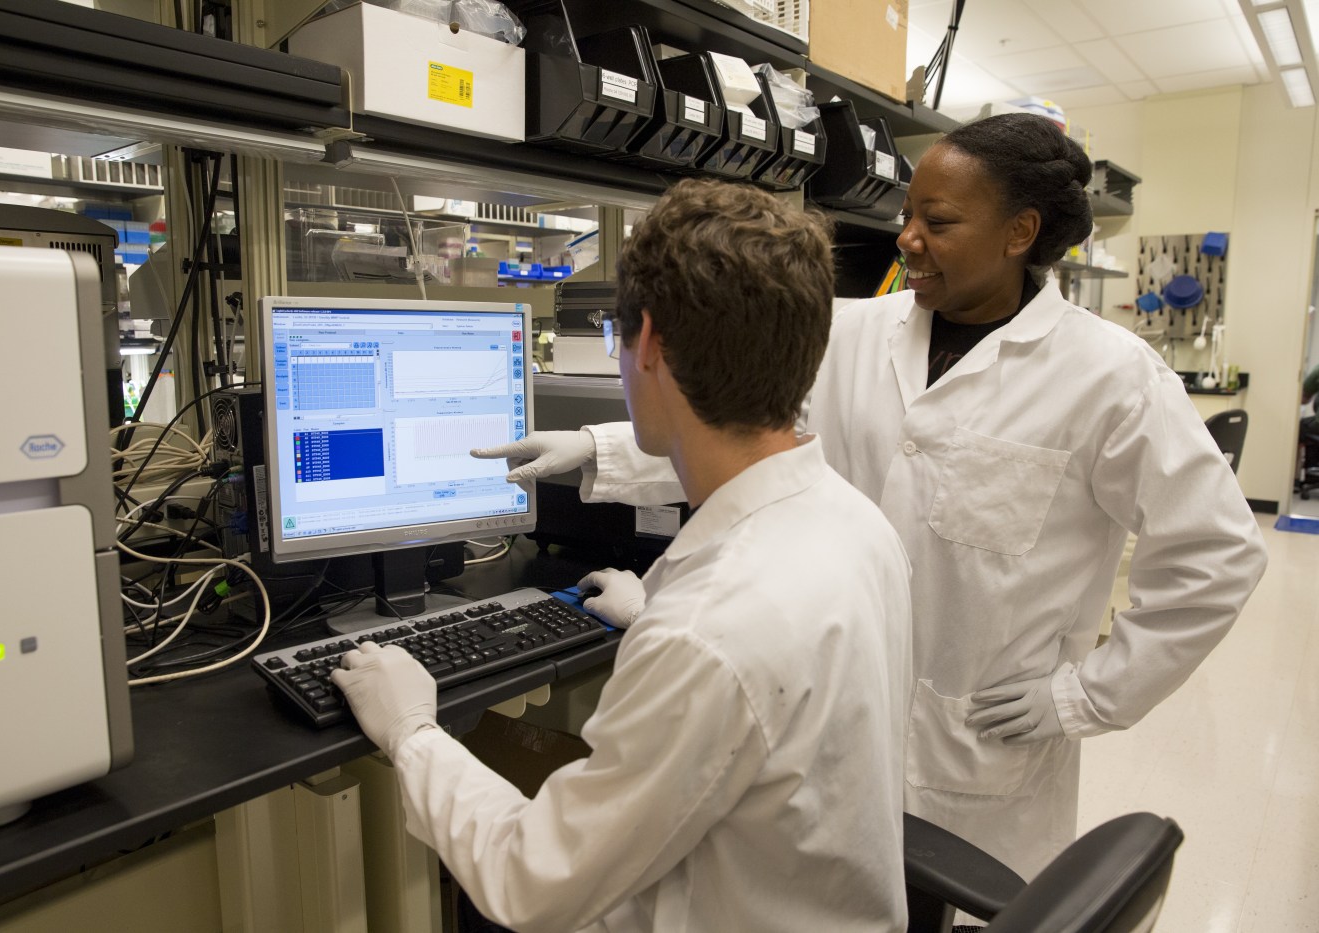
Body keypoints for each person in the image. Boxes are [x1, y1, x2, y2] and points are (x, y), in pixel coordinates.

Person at [476, 113, 1268, 879]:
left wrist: (1084, 696)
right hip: (834, 713)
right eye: (907, 215)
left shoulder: (1111, 377)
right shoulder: (855, 331)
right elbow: (745, 427)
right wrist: (598, 448)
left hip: (976, 756)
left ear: (1019, 233)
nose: (907, 238)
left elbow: (1218, 555)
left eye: (938, 222)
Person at [333, 178, 914, 932]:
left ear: (651, 347)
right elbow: (777, 700)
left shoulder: (708, 636)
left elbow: (530, 882)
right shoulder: (859, 524)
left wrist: (410, 729)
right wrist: (651, 614)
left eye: (617, 339)